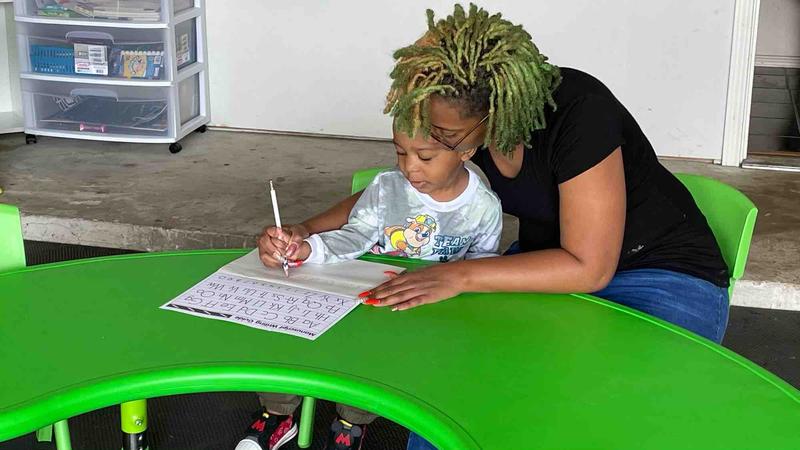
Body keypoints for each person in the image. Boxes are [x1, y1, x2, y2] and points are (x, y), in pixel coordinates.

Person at [258, 4, 732, 449]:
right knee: (457, 382)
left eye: (445, 137)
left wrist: (459, 275)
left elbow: (590, 268)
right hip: (548, 268)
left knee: (601, 403)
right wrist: (305, 231)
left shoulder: (581, 111)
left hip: (662, 275)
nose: (433, 144)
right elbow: (393, 195)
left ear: (495, 109)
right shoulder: (461, 128)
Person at [237, 109, 502, 449]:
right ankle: (278, 411)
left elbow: (482, 269)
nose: (409, 168)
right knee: (289, 319)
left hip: (419, 311)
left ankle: (351, 421)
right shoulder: (386, 186)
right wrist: (307, 249)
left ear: (466, 151)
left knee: (382, 355)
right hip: (363, 292)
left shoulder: (484, 207)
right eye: (400, 152)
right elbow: (355, 234)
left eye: (425, 157)